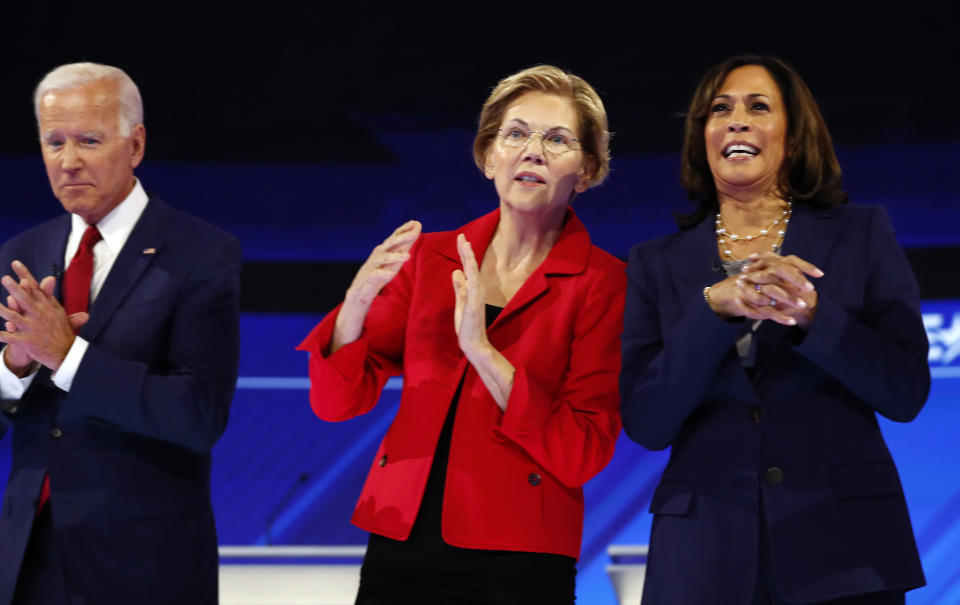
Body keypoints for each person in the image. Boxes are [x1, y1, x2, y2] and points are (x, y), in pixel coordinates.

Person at [298, 65, 625, 604]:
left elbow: (582, 453)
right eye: (515, 133)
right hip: (400, 542)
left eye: (557, 139)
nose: (532, 151)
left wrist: (482, 351)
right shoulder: (430, 258)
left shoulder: (605, 284)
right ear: (488, 156)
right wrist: (355, 304)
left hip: (522, 557)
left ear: (587, 170)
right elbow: (337, 404)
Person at [619, 55, 929, 605]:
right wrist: (711, 313)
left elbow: (904, 392)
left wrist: (815, 315)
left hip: (845, 556)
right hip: (703, 562)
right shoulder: (654, 264)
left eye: (758, 107)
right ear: (703, 137)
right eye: (721, 109)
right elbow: (647, 422)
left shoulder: (861, 235)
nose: (736, 120)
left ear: (794, 134)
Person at [0, 63, 241, 604]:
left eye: (89, 140)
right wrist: (13, 369)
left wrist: (67, 356)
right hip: (25, 560)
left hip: (143, 563)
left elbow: (198, 416)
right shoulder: (18, 254)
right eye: (53, 142)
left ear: (135, 146)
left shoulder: (201, 254)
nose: (68, 161)